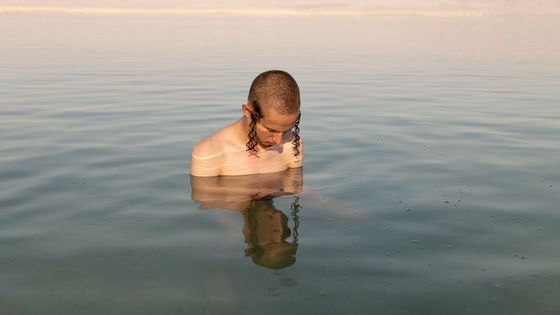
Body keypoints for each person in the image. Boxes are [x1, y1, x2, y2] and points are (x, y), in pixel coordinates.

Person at [190, 70, 303, 177]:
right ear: (247, 111)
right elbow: (206, 197)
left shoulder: (292, 144)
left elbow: (294, 190)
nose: (278, 141)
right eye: (271, 130)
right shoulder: (209, 153)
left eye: (288, 129)